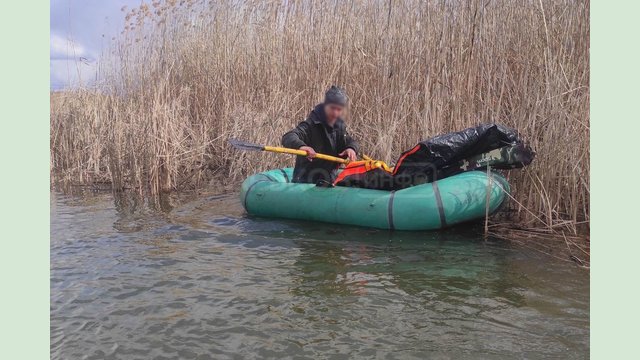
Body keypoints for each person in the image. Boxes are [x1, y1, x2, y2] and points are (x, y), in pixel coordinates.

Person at [282, 86, 359, 183]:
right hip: (305, 182)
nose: (335, 113)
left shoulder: (339, 128)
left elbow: (351, 141)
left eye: (339, 109)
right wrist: (301, 146)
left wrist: (351, 148)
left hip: (329, 182)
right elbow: (288, 136)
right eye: (332, 108)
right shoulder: (311, 124)